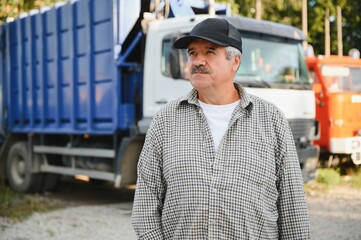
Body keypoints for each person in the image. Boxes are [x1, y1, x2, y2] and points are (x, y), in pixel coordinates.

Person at [131, 18, 310, 239]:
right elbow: (145, 207)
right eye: (193, 53)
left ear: (235, 61)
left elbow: (293, 209)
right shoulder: (165, 121)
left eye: (209, 52)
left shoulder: (271, 120)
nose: (198, 61)